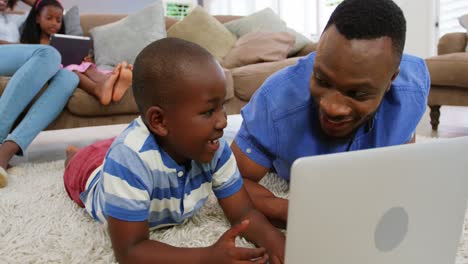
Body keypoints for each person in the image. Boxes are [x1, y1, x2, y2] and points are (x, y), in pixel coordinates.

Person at [63, 38, 285, 263]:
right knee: (82, 161)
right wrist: (207, 257)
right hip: (90, 176)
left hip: (139, 147)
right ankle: (73, 154)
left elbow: (243, 212)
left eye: (222, 107)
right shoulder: (128, 160)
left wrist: (274, 240)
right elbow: (130, 251)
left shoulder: (215, 149)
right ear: (159, 121)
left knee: (118, 147)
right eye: (209, 111)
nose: (223, 122)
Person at [231, 0, 430, 228]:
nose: (332, 107)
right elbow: (232, 182)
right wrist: (299, 214)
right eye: (321, 80)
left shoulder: (412, 90)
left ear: (390, 81)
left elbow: (404, 154)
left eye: (357, 93)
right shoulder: (276, 102)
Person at [0, 0, 79, 188]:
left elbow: (42, 5)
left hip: (16, 54)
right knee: (48, 54)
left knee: (69, 77)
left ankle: (7, 150)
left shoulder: (15, 20)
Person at [20, 0, 132, 105]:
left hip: (70, 65)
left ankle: (108, 81)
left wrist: (86, 59)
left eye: (58, 20)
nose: (54, 23)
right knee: (73, 71)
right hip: (55, 70)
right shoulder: (33, 43)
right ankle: (97, 90)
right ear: (38, 18)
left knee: (87, 67)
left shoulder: (63, 40)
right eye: (49, 18)